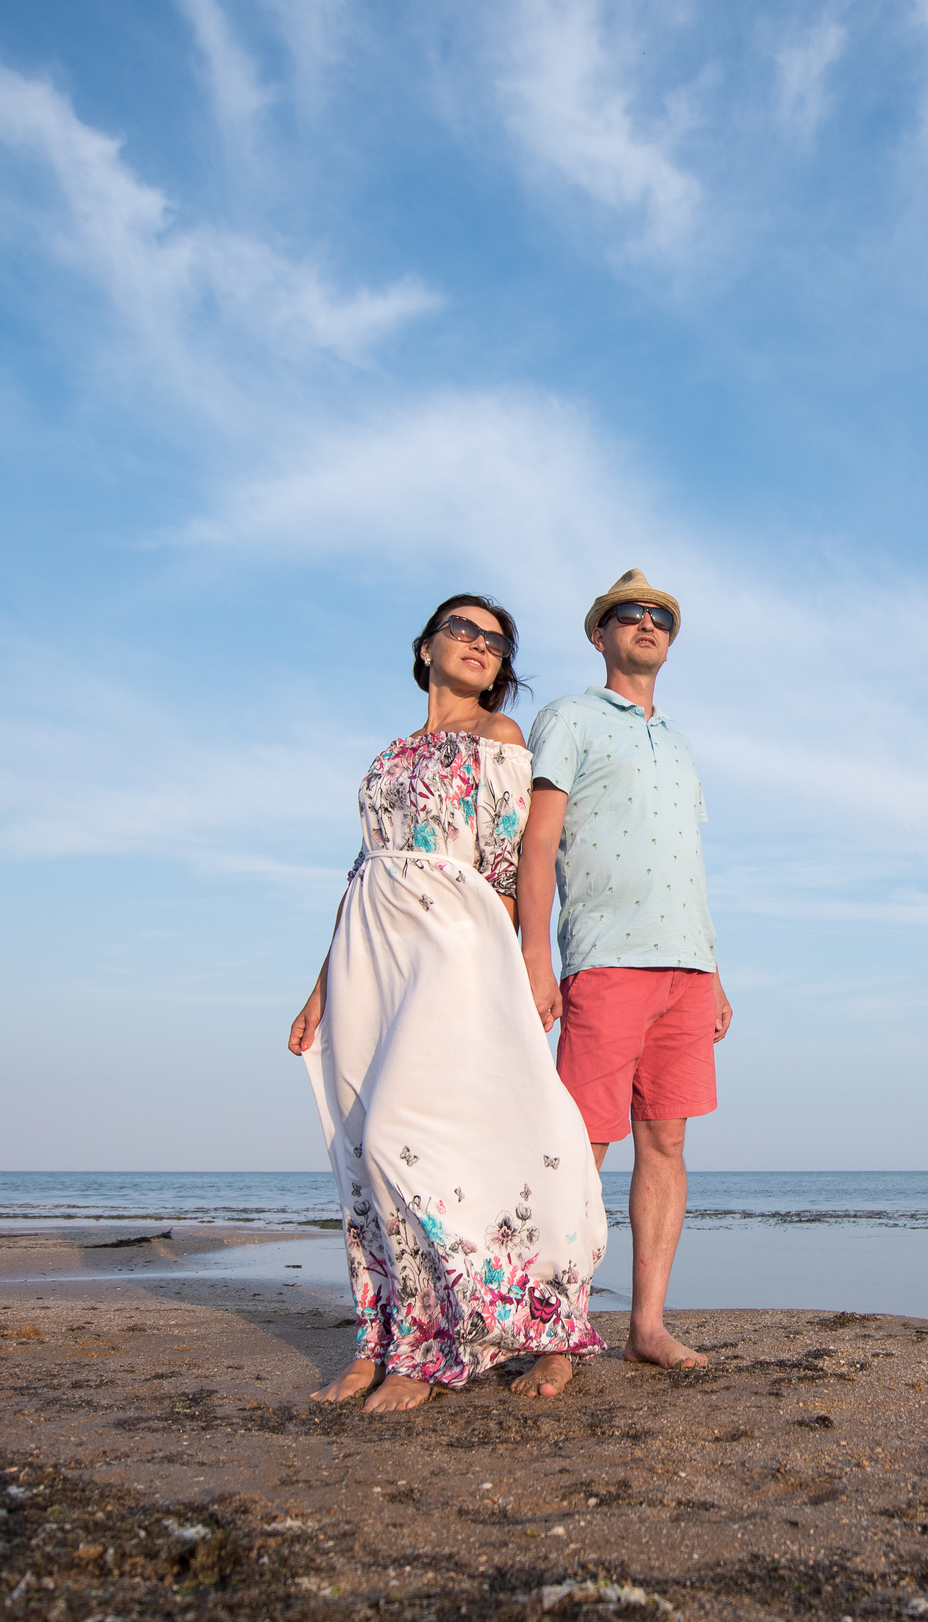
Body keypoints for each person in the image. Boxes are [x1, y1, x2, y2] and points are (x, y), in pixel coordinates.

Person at [287, 594, 607, 1410]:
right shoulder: (385, 758)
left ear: (501, 671)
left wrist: (529, 963)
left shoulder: (499, 739)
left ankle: (430, 1349)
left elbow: (508, 868)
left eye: (495, 642)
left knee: (405, 1132)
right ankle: (378, 1337)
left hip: (454, 948)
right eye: (461, 630)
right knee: (361, 1144)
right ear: (425, 647)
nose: (478, 645)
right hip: (369, 953)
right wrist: (321, 984)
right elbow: (361, 868)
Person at [518, 569, 732, 1372]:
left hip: (688, 969)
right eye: (629, 615)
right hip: (605, 961)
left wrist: (715, 969)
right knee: (580, 1147)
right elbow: (537, 844)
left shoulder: (678, 744)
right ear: (599, 633)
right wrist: (537, 956)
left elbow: (687, 863)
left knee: (667, 1142)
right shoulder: (567, 718)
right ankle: (556, 1331)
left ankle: (646, 1326)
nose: (647, 625)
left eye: (661, 619)